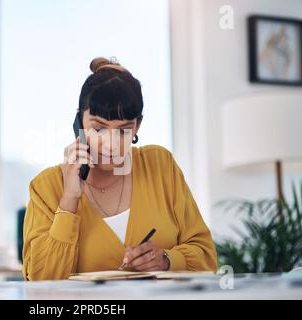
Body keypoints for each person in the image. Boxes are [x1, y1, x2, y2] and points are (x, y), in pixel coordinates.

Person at [22, 57, 217, 281]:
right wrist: (69, 200)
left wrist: (166, 260)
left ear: (138, 126)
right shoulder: (45, 187)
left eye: (124, 130)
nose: (112, 144)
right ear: (79, 121)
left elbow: (207, 258)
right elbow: (41, 283)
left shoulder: (160, 165)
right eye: (98, 128)